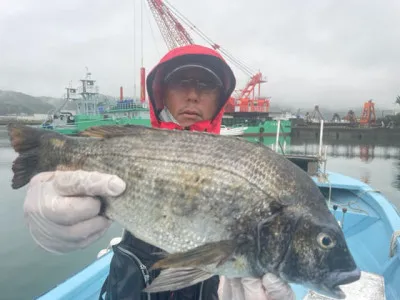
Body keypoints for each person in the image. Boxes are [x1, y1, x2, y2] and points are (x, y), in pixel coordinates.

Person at [23, 44, 295, 300]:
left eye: (206, 84)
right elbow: (93, 199)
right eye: (181, 82)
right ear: (161, 92)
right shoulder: (135, 147)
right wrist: (54, 224)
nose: (193, 94)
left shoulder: (249, 167)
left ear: (221, 99)